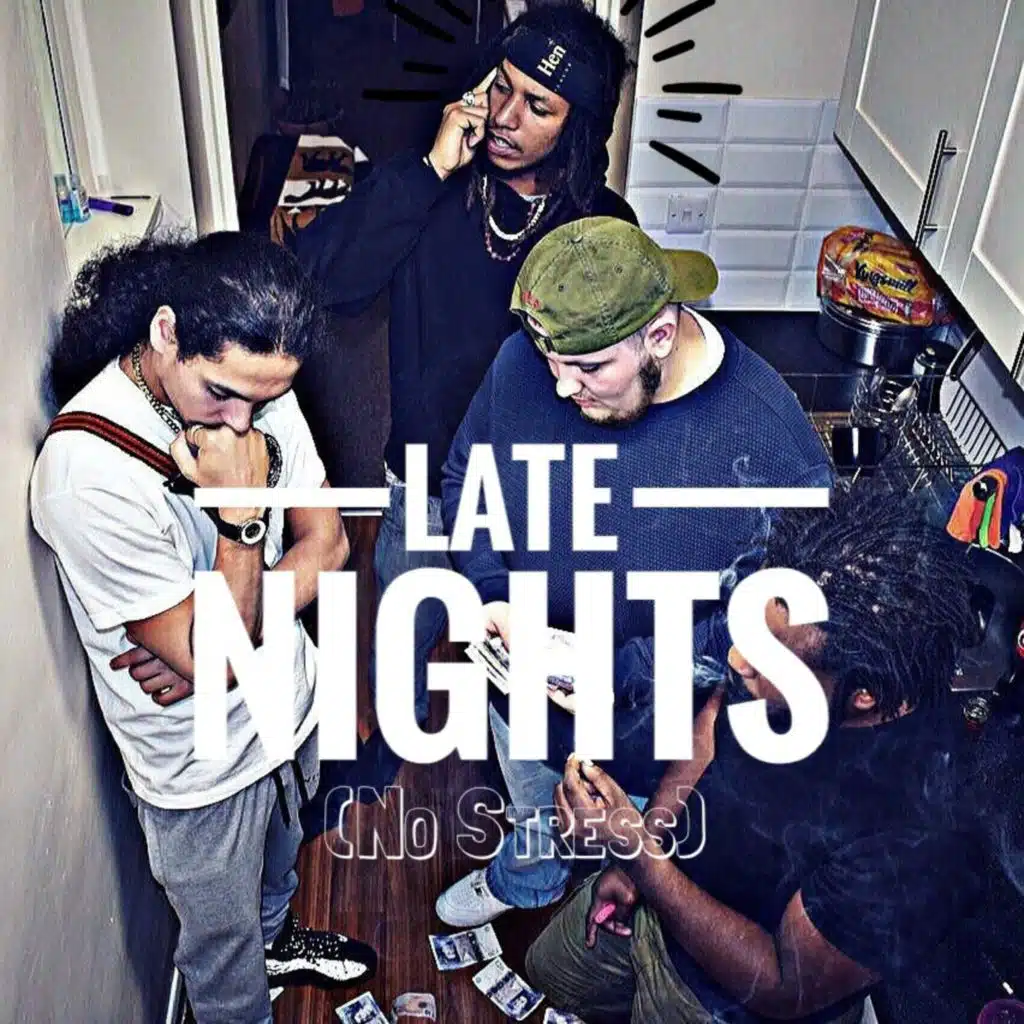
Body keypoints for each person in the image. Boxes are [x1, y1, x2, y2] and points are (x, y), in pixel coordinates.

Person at [434, 216, 834, 926]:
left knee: (632, 880)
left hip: (654, 738)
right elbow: (468, 474)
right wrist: (493, 592)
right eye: (553, 362)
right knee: (536, 811)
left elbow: (779, 626)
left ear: (660, 336)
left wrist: (615, 672)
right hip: (522, 686)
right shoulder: (530, 361)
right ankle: (529, 880)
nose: (563, 389)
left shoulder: (769, 443)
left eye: (590, 370)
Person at [30, 233, 377, 1024]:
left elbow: (330, 544)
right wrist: (242, 520)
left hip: (288, 707)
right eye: (220, 394)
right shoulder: (84, 473)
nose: (242, 422)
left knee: (282, 866)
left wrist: (222, 638)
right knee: (224, 962)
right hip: (200, 775)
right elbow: (219, 653)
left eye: (262, 401)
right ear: (165, 332)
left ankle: (279, 939)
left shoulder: (257, 382)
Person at [294, 0, 638, 727]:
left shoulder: (605, 229)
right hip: (421, 477)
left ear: (577, 126)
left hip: (533, 496)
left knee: (526, 669)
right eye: (502, 85)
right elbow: (322, 281)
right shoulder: (428, 186)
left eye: (537, 105)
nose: (504, 117)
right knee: (403, 641)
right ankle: (398, 731)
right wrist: (428, 171)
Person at [527, 488, 983, 1024]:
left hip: (718, 1003)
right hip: (654, 884)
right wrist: (647, 842)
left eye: (768, 657)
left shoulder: (921, 835)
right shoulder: (784, 654)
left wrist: (637, 856)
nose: (737, 659)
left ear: (865, 695)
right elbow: (711, 730)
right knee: (547, 970)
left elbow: (781, 986)